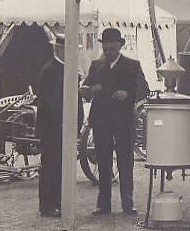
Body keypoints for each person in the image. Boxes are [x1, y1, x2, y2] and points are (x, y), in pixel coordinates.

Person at [79, 28, 149, 215]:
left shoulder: (132, 65)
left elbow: (144, 90)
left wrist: (127, 93)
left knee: (125, 162)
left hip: (124, 120)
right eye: (106, 48)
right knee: (103, 162)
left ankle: (128, 203)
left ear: (120, 45)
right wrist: (90, 89)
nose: (109, 52)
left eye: (112, 48)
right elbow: (85, 87)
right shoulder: (96, 65)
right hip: (101, 120)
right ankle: (103, 205)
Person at [35, 33, 84, 217]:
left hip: (66, 128)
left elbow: (76, 99)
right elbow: (49, 102)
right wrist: (62, 123)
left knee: (63, 167)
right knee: (51, 167)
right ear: (59, 49)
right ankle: (48, 205)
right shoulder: (50, 70)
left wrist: (76, 125)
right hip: (53, 129)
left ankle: (58, 202)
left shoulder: (70, 69)